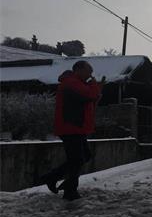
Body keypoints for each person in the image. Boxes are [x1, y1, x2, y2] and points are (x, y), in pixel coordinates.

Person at [40, 61, 105, 201]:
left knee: (83, 156)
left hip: (77, 127)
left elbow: (89, 101)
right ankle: (69, 190)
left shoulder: (78, 84)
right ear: (78, 70)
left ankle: (54, 178)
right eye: (89, 71)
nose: (90, 75)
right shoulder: (71, 82)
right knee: (77, 159)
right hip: (70, 126)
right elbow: (89, 95)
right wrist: (95, 86)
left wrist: (95, 93)